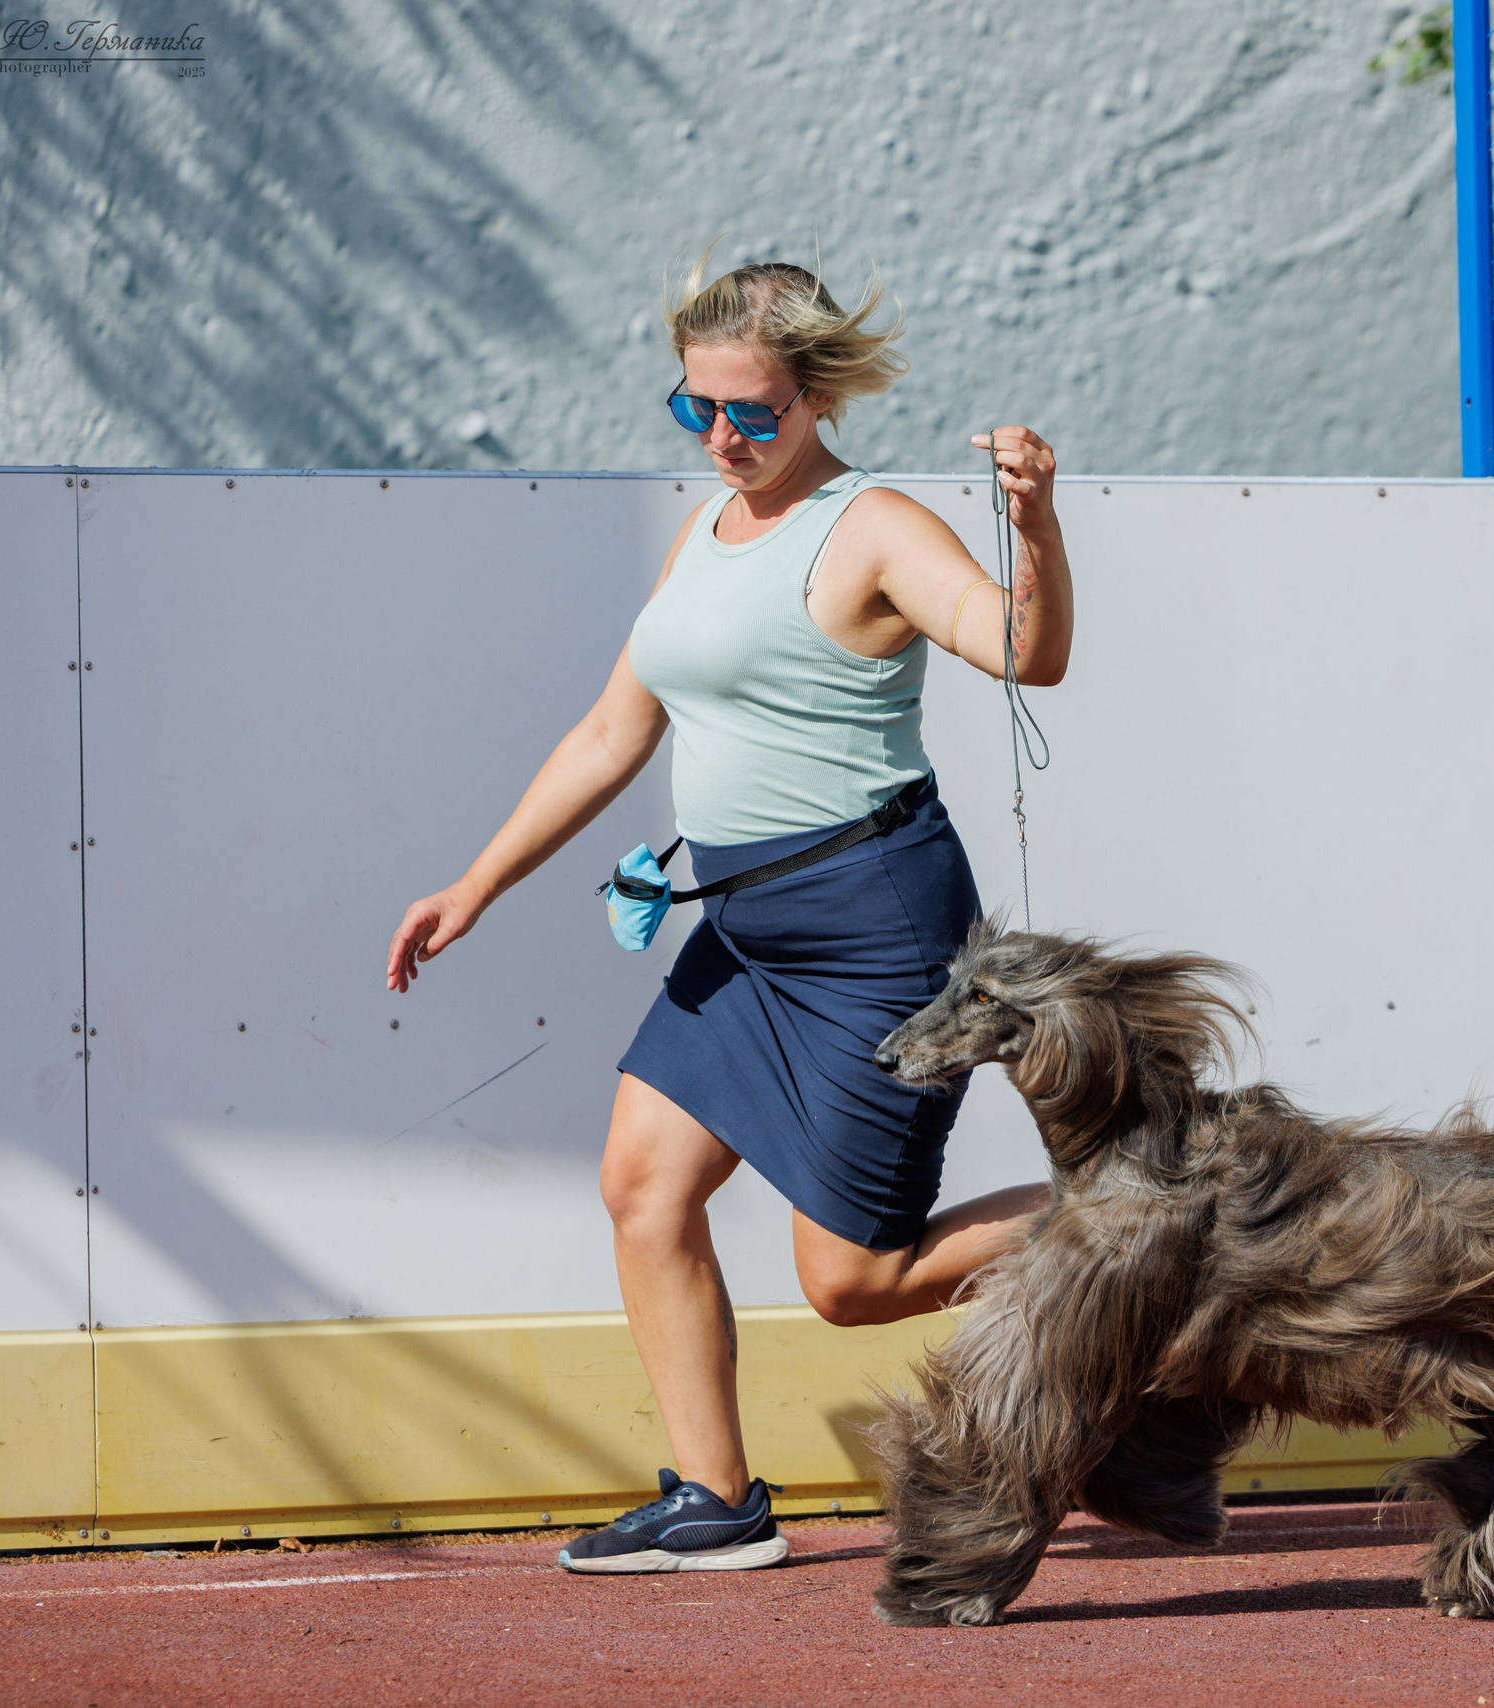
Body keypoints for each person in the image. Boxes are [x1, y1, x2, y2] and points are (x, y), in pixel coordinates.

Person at [383, 259, 1070, 1574]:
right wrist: (474, 886)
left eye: (750, 413)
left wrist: (1034, 525)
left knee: (853, 1287)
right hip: (747, 935)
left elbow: (1027, 651)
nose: (720, 437)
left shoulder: (871, 526)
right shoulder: (710, 527)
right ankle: (717, 1499)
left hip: (881, 935)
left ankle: (1140, 1216)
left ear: (814, 397)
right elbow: (608, 732)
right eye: (695, 407)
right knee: (643, 1184)